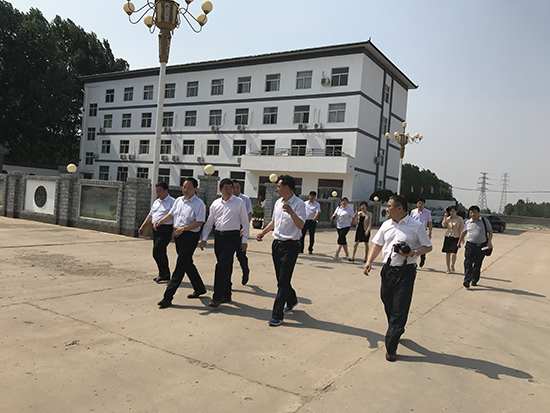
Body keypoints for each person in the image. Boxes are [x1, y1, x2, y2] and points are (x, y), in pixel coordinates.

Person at [364, 195, 432, 362]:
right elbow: (377, 244)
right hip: (388, 270)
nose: (386, 209)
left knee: (400, 308)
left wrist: (413, 253)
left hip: (406, 272)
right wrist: (369, 261)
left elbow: (428, 247)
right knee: (387, 302)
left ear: (400, 208)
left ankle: (391, 347)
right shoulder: (386, 225)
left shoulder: (416, 226)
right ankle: (395, 328)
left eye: (389, 206)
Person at [256, 174, 306, 326]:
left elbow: (301, 225)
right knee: (281, 278)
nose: (277, 189)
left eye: (279, 186)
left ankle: (277, 315)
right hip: (277, 245)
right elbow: (274, 221)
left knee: (283, 281)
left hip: (291, 246)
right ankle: (292, 299)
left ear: (287, 187)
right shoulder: (278, 202)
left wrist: (292, 213)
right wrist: (263, 232)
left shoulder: (299, 204)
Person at [154, 178, 207, 309]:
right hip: (179, 236)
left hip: (190, 236)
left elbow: (199, 222)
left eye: (189, 188)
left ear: (195, 189)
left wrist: (184, 228)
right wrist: (160, 221)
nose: (185, 190)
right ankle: (199, 288)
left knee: (180, 266)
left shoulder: (199, 204)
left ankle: (168, 297)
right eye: (184, 187)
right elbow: (171, 215)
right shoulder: (178, 201)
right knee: (187, 263)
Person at [200, 178, 249, 307]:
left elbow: (245, 222)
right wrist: (204, 238)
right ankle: (227, 294)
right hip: (219, 237)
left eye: (230, 188)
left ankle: (217, 297)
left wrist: (244, 240)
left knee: (221, 266)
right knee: (225, 266)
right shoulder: (215, 204)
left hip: (232, 237)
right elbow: (210, 222)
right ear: (220, 190)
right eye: (225, 188)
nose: (228, 190)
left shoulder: (239, 203)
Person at [138, 182, 176, 283]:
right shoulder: (156, 202)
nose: (158, 193)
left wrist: (174, 231)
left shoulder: (173, 202)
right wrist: (142, 226)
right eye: (156, 191)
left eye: (160, 191)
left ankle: (164, 273)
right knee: (161, 252)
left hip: (166, 229)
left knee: (157, 251)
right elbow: (150, 216)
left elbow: (175, 217)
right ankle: (164, 274)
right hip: (156, 230)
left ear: (166, 191)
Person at [458, 205, 493, 289]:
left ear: (478, 213)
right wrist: (459, 241)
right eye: (471, 213)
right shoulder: (468, 222)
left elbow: (490, 232)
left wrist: (489, 242)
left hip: (481, 246)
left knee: (477, 264)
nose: (473, 214)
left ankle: (474, 279)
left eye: (474, 212)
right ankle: (467, 280)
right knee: (468, 262)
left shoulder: (484, 221)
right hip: (470, 246)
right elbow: (464, 232)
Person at [232, 180, 252, 285]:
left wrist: (244, 228)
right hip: (231, 229)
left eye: (238, 187)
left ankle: (245, 271)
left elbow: (249, 214)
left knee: (241, 255)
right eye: (234, 188)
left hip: (241, 228)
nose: (236, 190)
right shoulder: (228, 199)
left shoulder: (245, 199)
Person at [409, 197, 433, 267]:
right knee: (414, 245)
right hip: (414, 231)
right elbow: (410, 221)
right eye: (419, 203)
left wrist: (430, 232)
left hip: (423, 231)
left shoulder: (427, 212)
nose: (420, 205)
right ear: (417, 204)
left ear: (424, 204)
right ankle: (413, 261)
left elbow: (429, 222)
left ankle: (423, 257)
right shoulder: (413, 212)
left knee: (423, 244)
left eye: (422, 204)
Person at [441, 205, 464, 273]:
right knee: (447, 253)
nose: (452, 212)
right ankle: (448, 268)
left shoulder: (460, 219)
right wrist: (445, 217)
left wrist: (462, 238)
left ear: (456, 211)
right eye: (451, 211)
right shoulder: (448, 218)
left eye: (453, 211)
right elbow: (443, 225)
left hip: (456, 237)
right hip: (448, 236)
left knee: (454, 253)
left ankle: (452, 265)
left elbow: (462, 229)